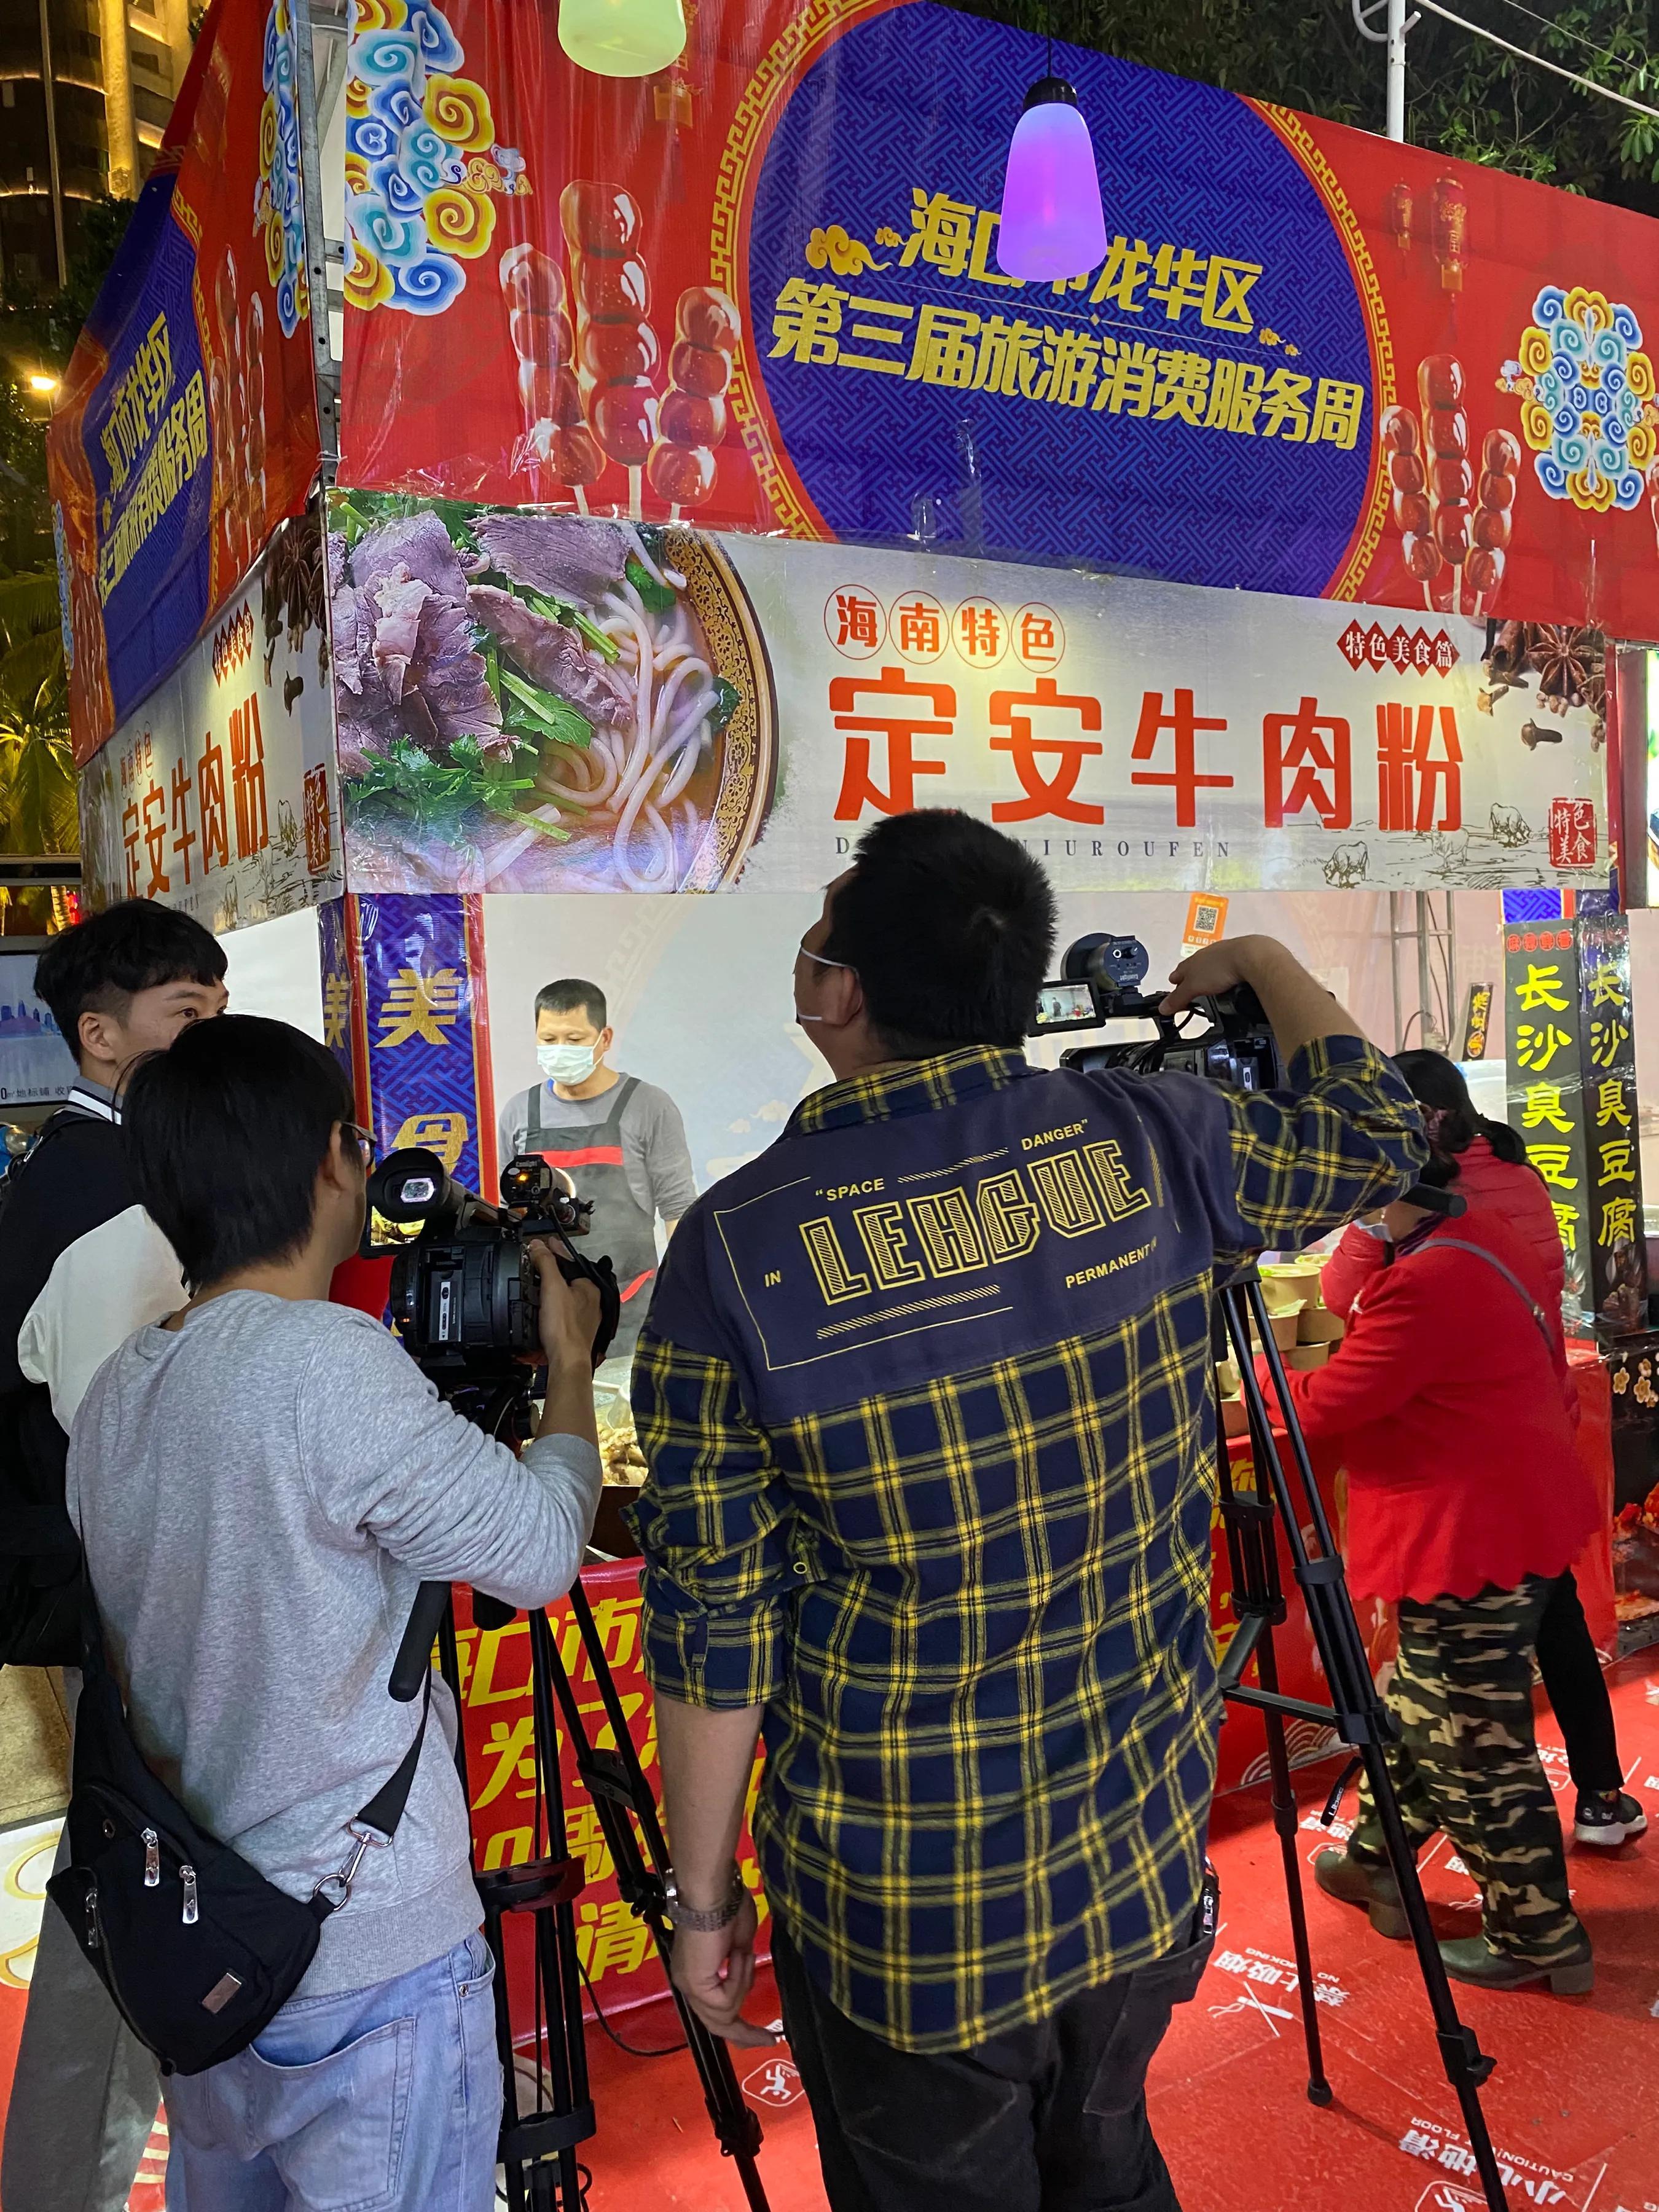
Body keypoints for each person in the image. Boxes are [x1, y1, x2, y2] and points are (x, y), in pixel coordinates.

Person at [628, 810, 1426, 2212]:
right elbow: (1375, 1133)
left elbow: (715, 1627)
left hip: (906, 1914)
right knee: (1106, 2162)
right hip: (1135, 1859)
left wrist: (702, 1902)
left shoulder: (736, 1249)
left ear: (836, 992)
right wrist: (1263, 961)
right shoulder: (1155, 1136)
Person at [71, 1014, 603, 2208]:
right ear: (332, 1160)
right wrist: (569, 1365)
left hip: (209, 1949)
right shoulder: (324, 1361)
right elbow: (537, 1553)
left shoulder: (118, 1393)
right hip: (368, 1963)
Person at [0, 898, 227, 2212]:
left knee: (134, 1893)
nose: (213, 1035)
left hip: (113, 1604)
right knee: (128, 1903)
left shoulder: (92, 1167)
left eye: (219, 1008)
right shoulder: (109, 1199)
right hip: (128, 1612)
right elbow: (124, 1452)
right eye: (186, 1014)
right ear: (100, 1036)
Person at [1295, 1122, 1602, 1993]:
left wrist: (1250, 1387)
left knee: (1471, 1744)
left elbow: (1333, 1400)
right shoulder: (1474, 1229)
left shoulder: (1430, 1281)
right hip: (1511, 1509)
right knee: (1421, 1707)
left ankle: (1539, 1935)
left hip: (1474, 1532)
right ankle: (1378, 1862)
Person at [1322, 1048, 1644, 1851]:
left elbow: (1338, 1297)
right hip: (1536, 1409)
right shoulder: (1515, 1170)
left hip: (1460, 1455)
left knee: (1458, 1676)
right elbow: (1548, 1276)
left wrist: (1364, 1221)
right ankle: (1600, 1794)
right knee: (1551, 1616)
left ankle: (1487, 1866)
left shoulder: (1423, 1197)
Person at [498, 977, 697, 1366]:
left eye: (574, 1040)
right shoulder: (519, 1113)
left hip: (632, 1306)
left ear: (604, 1039)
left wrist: (684, 1297)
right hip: (544, 1310)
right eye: (549, 1039)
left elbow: (679, 1208)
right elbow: (512, 1214)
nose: (560, 1050)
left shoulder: (648, 1105)